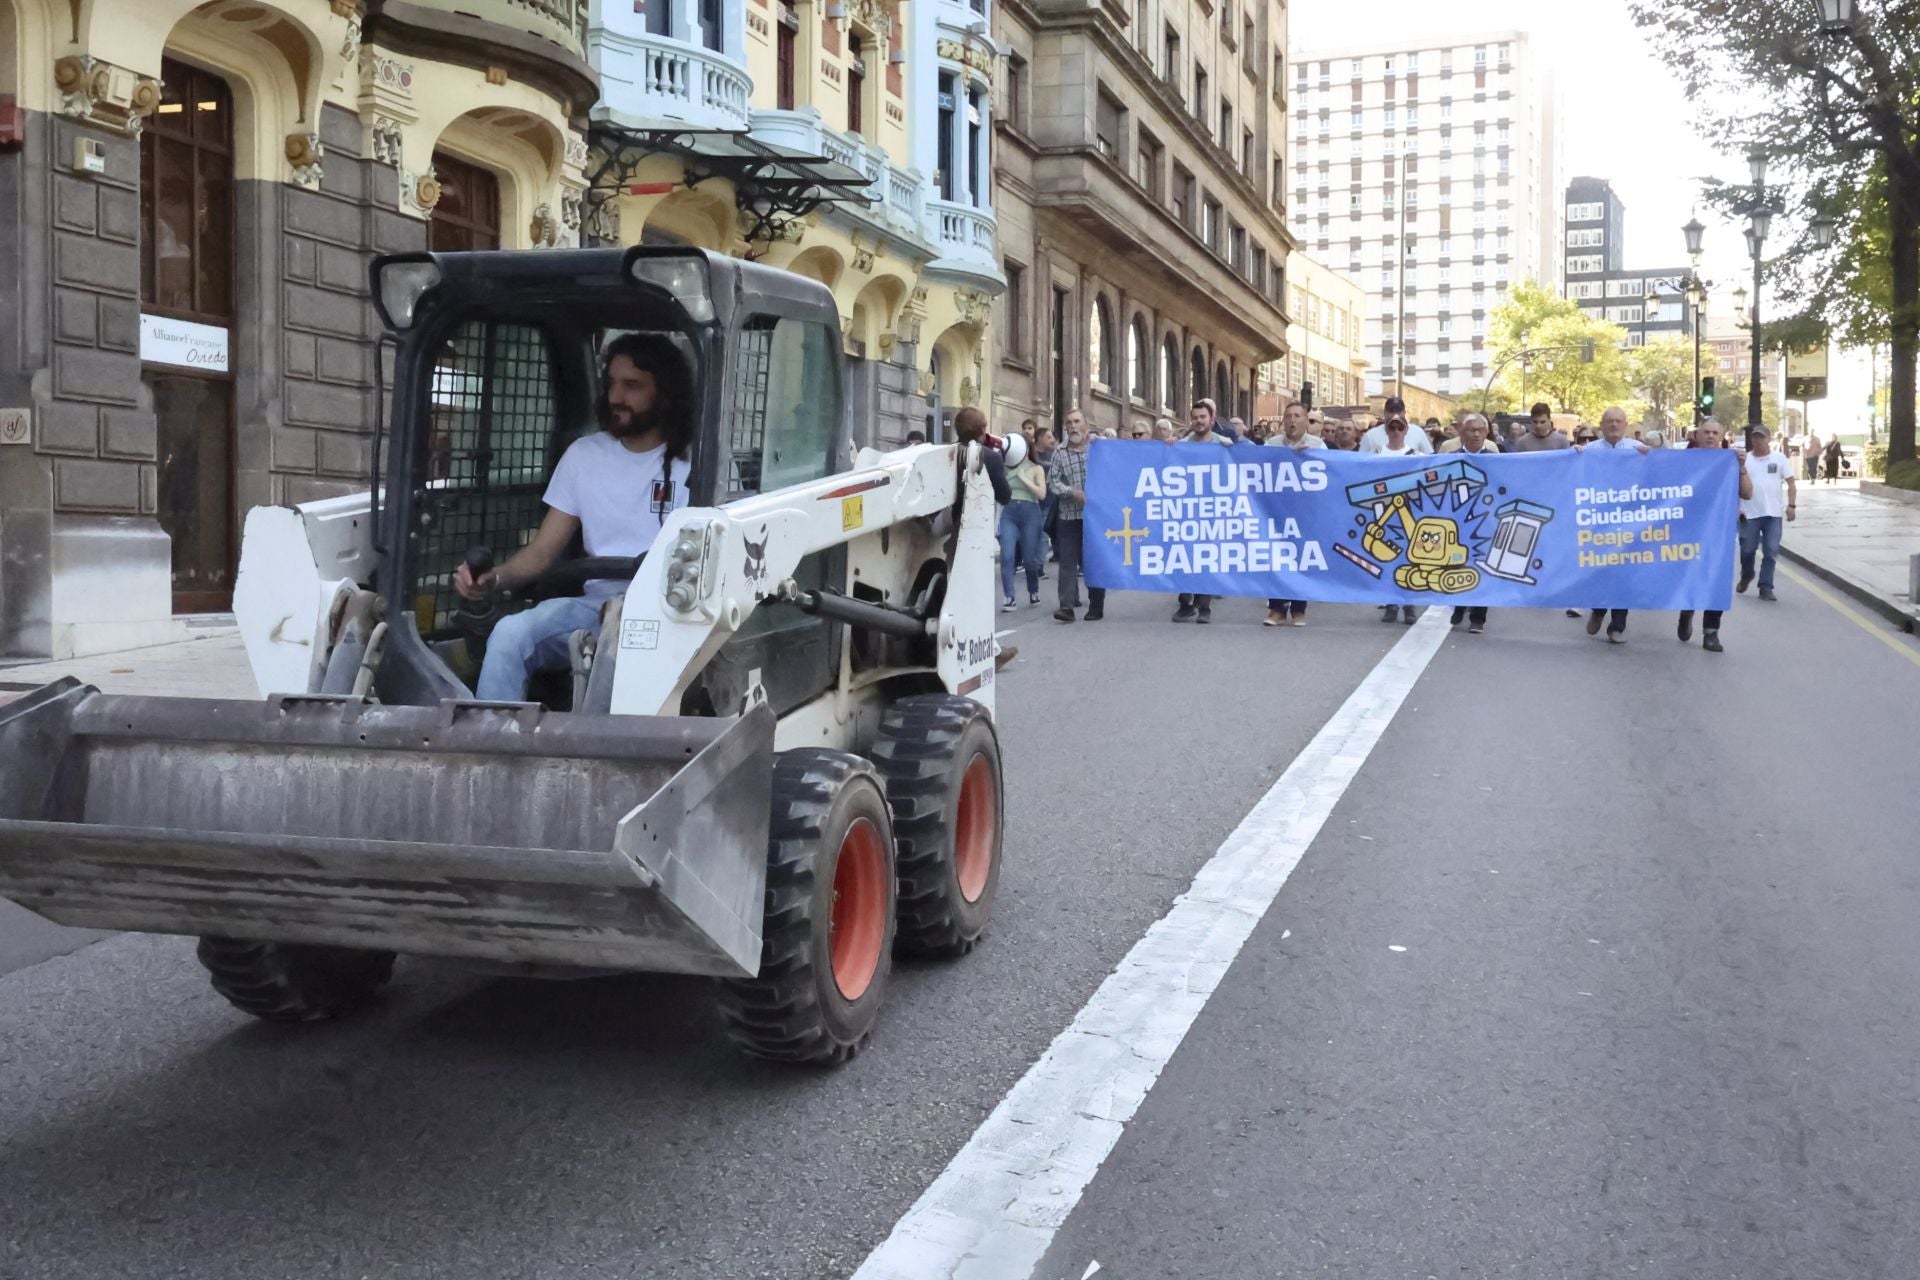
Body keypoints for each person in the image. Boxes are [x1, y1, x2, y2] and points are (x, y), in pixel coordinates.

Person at [458, 333, 693, 701]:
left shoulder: (696, 464)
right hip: (595, 610)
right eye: (612, 384)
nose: (616, 397)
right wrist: (494, 578)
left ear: (665, 393)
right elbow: (540, 554)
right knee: (509, 634)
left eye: (632, 386)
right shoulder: (584, 456)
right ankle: (492, 746)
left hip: (674, 615)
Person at [1677, 418, 1753, 654]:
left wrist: (1741, 467)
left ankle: (1711, 632)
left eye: (1714, 433)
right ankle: (1686, 611)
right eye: (1706, 432)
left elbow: (1748, 493)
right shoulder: (1683, 460)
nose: (1710, 436)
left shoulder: (1730, 461)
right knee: (1690, 576)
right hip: (1689, 530)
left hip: (1719, 533)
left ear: (1721, 436)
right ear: (1697, 436)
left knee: (1716, 580)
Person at [1579, 408, 1654, 643]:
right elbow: (1576, 477)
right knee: (1601, 569)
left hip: (1629, 521)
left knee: (1625, 572)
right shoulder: (1589, 450)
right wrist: (1573, 456)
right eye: (1609, 421)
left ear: (1625, 424)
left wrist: (1653, 459)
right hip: (1599, 521)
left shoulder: (1638, 450)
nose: (1613, 425)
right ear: (1601, 425)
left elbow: (1657, 477)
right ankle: (1598, 610)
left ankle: (1617, 625)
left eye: (1618, 421)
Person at [1439, 413, 1500, 634]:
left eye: (1480, 430)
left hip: (1485, 522)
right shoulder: (1450, 457)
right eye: (1470, 430)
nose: (1475, 434)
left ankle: (1478, 617)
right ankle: (1459, 605)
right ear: (1462, 433)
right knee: (1457, 564)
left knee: (1482, 568)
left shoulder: (1496, 458)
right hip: (1457, 523)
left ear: (1486, 433)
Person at [1265, 401, 1324, 626]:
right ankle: (1276, 608)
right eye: (1288, 415)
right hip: (1277, 509)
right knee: (1276, 556)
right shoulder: (1271, 444)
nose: (1292, 420)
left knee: (1302, 557)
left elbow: (1329, 472)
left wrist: (1308, 457)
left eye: (1297, 415)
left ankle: (1299, 609)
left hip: (1305, 511)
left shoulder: (1318, 445)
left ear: (1305, 421)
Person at [1174, 401, 1229, 623]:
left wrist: (1232, 449)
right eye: (1195, 417)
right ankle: (1186, 603)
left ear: (1211, 420)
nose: (1199, 421)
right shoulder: (1183, 444)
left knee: (1206, 557)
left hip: (1211, 511)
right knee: (1184, 556)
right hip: (1186, 510)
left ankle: (1204, 608)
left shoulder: (1222, 444)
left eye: (1202, 417)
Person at [1046, 408, 1103, 622]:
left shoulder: (1098, 447)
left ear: (1086, 424)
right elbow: (1053, 482)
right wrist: (1072, 492)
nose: (1073, 426)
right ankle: (1067, 607)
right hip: (1069, 516)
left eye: (1077, 421)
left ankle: (1096, 605)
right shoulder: (1060, 452)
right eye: (1069, 422)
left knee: (1093, 562)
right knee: (1067, 562)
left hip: (1096, 517)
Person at [1739, 425, 1796, 601]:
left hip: (1773, 514)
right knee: (1747, 550)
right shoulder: (1745, 460)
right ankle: (1747, 575)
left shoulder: (1779, 459)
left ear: (1769, 438)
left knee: (1771, 550)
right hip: (1748, 514)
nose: (1758, 440)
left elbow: (1791, 483)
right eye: (1755, 437)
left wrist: (1792, 505)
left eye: (1761, 437)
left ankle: (1766, 587)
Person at [998, 423, 1048, 611]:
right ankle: (1009, 597)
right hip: (1009, 511)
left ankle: (1033, 591)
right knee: (1007, 555)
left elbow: (1042, 494)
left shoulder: (1037, 468)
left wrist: (1024, 478)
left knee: (1029, 559)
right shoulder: (1005, 468)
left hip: (1030, 512)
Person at [1361, 396, 1433, 454]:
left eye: (1398, 411)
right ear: (1385, 413)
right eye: (1391, 411)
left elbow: (1430, 460)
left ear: (1404, 413)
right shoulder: (1370, 436)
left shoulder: (1417, 432)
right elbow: (1361, 463)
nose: (1395, 415)